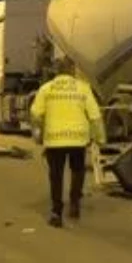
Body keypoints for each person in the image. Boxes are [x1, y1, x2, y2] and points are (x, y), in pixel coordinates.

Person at [29, 57, 105, 227]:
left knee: (56, 176)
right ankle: (75, 204)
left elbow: (35, 115)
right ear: (72, 71)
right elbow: (95, 117)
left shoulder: (46, 89)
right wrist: (100, 138)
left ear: (56, 71)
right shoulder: (83, 89)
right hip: (78, 139)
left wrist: (38, 135)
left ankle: (56, 212)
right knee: (78, 171)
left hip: (54, 140)